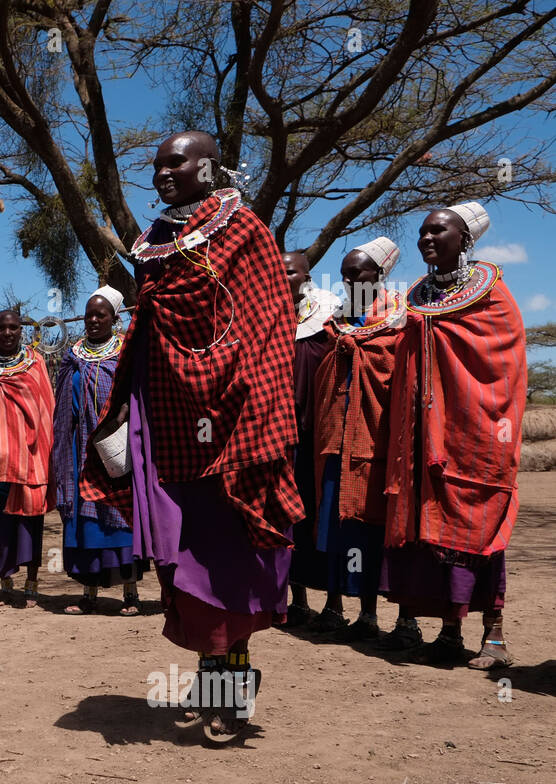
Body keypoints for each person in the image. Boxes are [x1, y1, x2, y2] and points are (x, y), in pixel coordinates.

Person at [81, 130, 304, 742]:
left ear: (208, 168)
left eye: (174, 162)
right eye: (155, 166)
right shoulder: (153, 243)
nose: (161, 173)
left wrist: (258, 412)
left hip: (233, 426)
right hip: (173, 429)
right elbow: (151, 332)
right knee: (186, 568)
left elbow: (265, 330)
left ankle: (228, 693)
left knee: (226, 564)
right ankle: (219, 687)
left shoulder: (245, 232)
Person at [383, 201, 526, 669]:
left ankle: (496, 636)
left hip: (475, 431)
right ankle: (449, 631)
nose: (426, 238)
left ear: (464, 239)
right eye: (422, 232)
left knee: (479, 527)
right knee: (434, 533)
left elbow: (502, 359)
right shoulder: (418, 293)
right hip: (425, 434)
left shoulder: (493, 293)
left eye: (437, 231)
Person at [311, 239, 420, 646]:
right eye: (344, 273)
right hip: (335, 442)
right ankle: (342, 609)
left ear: (380, 274)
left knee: (374, 528)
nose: (349, 279)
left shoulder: (399, 318)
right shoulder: (338, 321)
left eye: (358, 272)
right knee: (339, 529)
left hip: (378, 443)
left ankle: (385, 614)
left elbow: (401, 377)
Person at [53, 287, 144, 615]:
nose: (93, 320)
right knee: (86, 523)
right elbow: (64, 403)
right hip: (81, 451)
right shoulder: (73, 355)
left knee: (120, 519)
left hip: (117, 449)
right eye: (89, 314)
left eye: (100, 315)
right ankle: (89, 593)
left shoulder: (125, 352)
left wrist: (122, 416)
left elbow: (138, 391)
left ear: (114, 319)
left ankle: (130, 594)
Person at [0, 309, 53, 607]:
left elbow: (45, 409)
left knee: (29, 519)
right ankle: (6, 581)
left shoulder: (35, 364)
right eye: (2, 328)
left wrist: (21, 431)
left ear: (21, 330)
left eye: (13, 328)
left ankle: (31, 582)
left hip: (28, 455)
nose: (7, 333)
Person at [282, 251, 338, 627]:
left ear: (307, 275)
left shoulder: (331, 312)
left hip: (325, 433)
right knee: (291, 516)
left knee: (327, 512)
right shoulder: (269, 316)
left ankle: (335, 603)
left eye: (290, 272)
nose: (283, 278)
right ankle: (296, 598)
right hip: (283, 436)